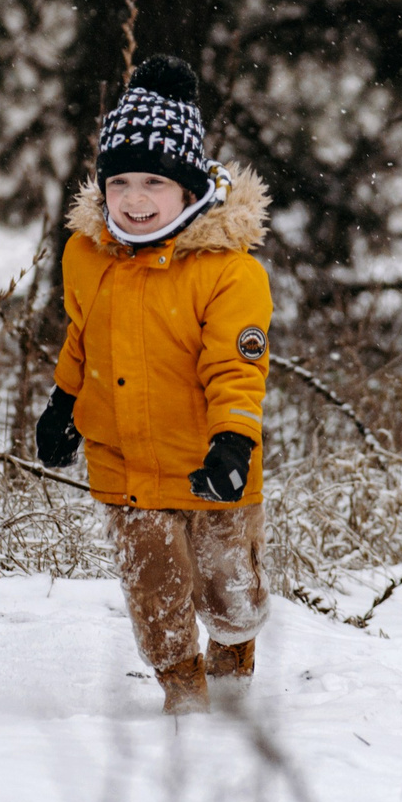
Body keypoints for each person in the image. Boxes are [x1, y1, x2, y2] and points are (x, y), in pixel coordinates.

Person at [34, 55, 273, 714]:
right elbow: (83, 338)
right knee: (155, 594)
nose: (134, 201)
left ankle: (232, 666)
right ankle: (186, 695)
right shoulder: (90, 256)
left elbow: (235, 365)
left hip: (210, 464)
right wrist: (62, 405)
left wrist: (232, 440)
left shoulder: (227, 272)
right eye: (120, 182)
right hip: (129, 467)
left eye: (154, 183)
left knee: (232, 598)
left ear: (190, 188)